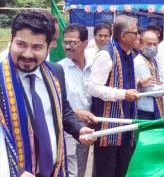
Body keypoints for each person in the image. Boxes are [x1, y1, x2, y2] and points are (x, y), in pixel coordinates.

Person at [0, 10, 95, 177]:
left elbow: (63, 110)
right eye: (21, 44)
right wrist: (16, 170)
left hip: (55, 169)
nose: (28, 54)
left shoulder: (55, 71)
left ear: (49, 45)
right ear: (11, 39)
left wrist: (79, 129)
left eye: (37, 47)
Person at [86, 15, 140, 177]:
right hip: (108, 126)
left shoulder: (130, 53)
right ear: (124, 35)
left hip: (125, 125)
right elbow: (92, 87)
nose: (138, 36)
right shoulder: (106, 55)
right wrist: (123, 94)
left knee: (123, 169)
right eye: (135, 33)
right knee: (106, 171)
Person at [58, 23, 96, 177]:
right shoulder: (59, 69)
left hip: (87, 129)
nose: (68, 47)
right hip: (68, 131)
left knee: (80, 169)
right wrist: (76, 113)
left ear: (85, 43)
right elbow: (57, 103)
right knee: (70, 171)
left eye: (72, 43)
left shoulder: (94, 66)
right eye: (65, 42)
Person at [134, 30, 164, 120]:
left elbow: (158, 81)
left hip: (154, 109)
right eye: (149, 44)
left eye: (155, 44)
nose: (152, 47)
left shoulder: (152, 61)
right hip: (146, 112)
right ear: (141, 45)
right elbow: (151, 90)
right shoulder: (140, 63)